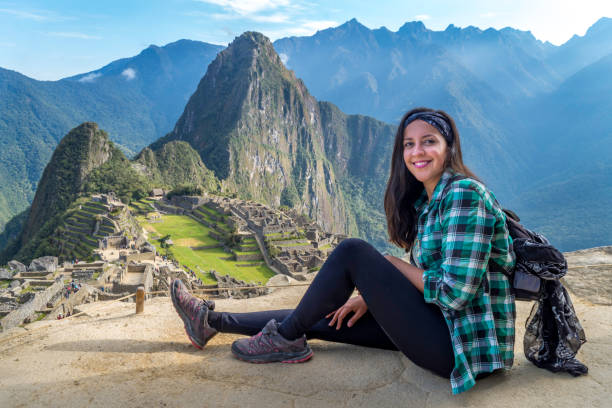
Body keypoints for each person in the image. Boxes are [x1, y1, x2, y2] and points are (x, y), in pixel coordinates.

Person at [170, 107, 515, 395]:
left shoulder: (465, 195)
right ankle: (209, 322)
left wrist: (389, 267)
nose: (417, 152)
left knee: (353, 251)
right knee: (321, 317)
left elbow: (454, 293)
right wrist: (375, 296)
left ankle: (284, 340)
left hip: (462, 349)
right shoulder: (431, 202)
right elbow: (431, 278)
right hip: (437, 325)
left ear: (449, 147)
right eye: (409, 144)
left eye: (429, 142)